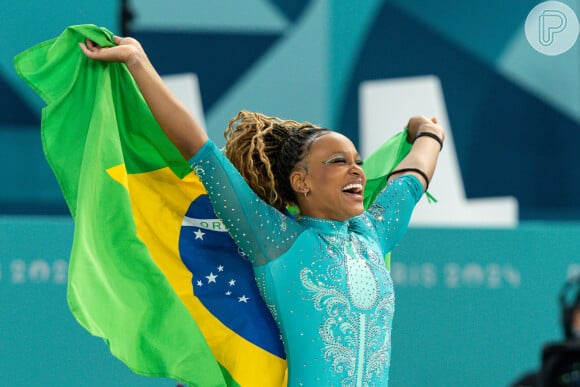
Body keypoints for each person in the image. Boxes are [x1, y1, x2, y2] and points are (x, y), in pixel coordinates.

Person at [79, 36, 444, 386]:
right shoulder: (278, 240)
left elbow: (412, 179)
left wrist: (429, 133)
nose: (357, 171)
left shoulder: (373, 233)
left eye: (358, 161)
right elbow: (200, 150)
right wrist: (138, 62)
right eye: (338, 161)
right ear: (302, 182)